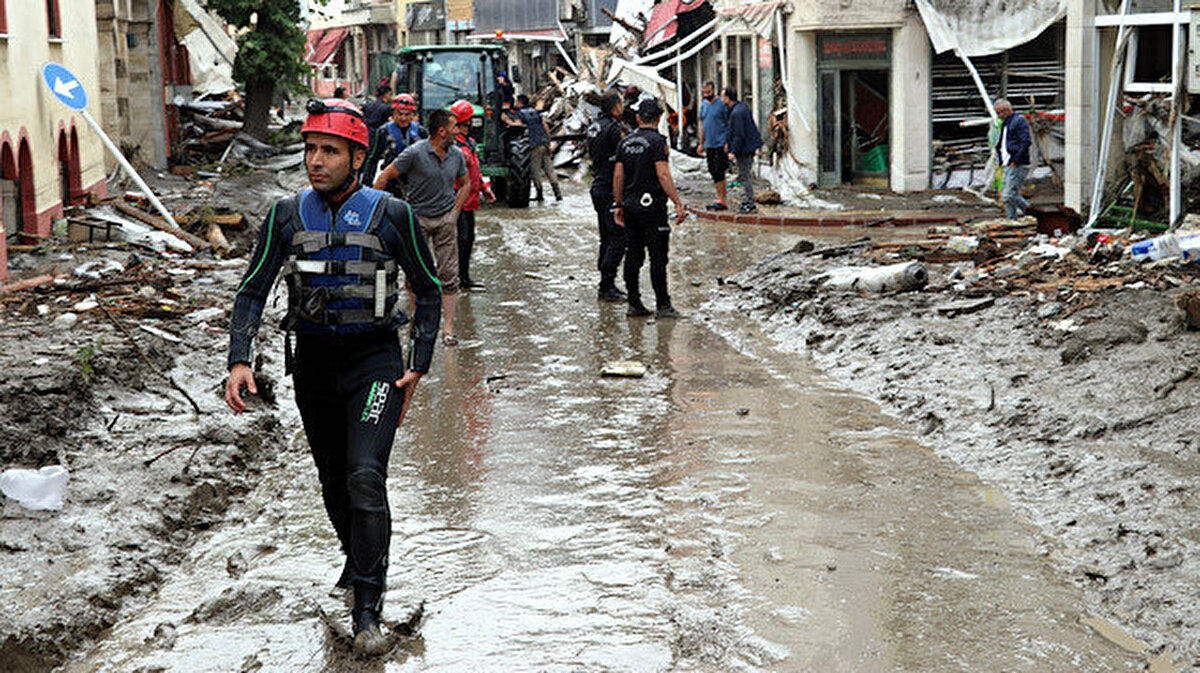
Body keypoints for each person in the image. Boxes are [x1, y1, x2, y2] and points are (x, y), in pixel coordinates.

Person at [224, 98, 441, 655]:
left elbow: (431, 289)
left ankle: (368, 608)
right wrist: (239, 359)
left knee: (365, 475)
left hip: (376, 365)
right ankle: (358, 559)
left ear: (357, 157)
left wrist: (419, 362)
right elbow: (251, 290)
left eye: (329, 151)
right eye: (310, 149)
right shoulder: (285, 214)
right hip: (314, 366)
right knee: (333, 480)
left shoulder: (393, 214)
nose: (315, 161)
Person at [374, 108, 470, 346]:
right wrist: (379, 211)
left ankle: (447, 330)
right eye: (454, 127)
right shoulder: (414, 153)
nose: (457, 131)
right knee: (415, 274)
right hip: (417, 220)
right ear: (441, 131)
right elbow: (383, 178)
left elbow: (466, 183)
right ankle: (418, 320)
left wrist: (455, 213)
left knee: (449, 275)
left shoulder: (456, 155)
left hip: (445, 220)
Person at [612, 98, 687, 319]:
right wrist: (678, 203)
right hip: (653, 208)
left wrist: (618, 204)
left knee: (633, 255)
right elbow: (663, 174)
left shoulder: (625, 142)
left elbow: (618, 176)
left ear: (637, 118)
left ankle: (634, 303)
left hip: (631, 207)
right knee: (658, 257)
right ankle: (663, 306)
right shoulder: (657, 143)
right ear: (659, 118)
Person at [587, 90, 628, 302]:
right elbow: (623, 159)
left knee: (606, 236)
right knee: (618, 237)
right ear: (615, 106)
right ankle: (606, 284)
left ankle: (605, 280)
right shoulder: (614, 129)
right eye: (621, 102)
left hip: (598, 185)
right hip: (611, 186)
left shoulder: (594, 126)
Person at [450, 99, 494, 291]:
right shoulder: (453, 146)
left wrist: (485, 187)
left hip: (470, 199)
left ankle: (464, 277)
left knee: (468, 239)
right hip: (458, 199)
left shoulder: (470, 143)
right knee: (461, 240)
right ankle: (457, 278)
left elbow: (477, 168)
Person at [363, 94, 424, 194]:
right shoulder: (383, 131)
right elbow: (373, 158)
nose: (403, 118)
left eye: (407, 114)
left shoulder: (421, 132)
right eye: (399, 114)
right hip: (391, 182)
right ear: (393, 114)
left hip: (415, 182)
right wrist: (367, 184)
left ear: (413, 115)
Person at [506, 94, 561, 202]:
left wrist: (507, 121)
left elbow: (517, 125)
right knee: (549, 168)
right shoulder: (535, 112)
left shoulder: (520, 113)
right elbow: (544, 125)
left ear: (520, 102)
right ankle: (558, 194)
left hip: (534, 145)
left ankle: (539, 194)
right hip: (544, 143)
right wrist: (548, 139)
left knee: (535, 170)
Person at [723, 88, 763, 214]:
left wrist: (733, 151)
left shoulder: (737, 113)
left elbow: (738, 134)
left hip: (745, 148)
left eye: (723, 96)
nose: (721, 99)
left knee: (745, 175)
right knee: (743, 175)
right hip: (748, 146)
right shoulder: (741, 107)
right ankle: (747, 199)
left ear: (728, 98)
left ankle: (750, 203)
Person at [995, 98, 1032, 220]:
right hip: (1007, 164)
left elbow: (1026, 141)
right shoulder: (1007, 123)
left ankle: (1033, 213)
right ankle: (1012, 220)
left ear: (1006, 110)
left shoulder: (1018, 121)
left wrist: (1016, 160)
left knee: (1009, 195)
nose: (998, 116)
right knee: (1008, 197)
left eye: (999, 113)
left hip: (1016, 164)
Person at [696, 81, 730, 211]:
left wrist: (728, 142)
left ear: (713, 90)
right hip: (709, 144)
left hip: (720, 142)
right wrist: (701, 143)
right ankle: (719, 197)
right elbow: (703, 125)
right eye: (704, 93)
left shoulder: (722, 104)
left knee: (719, 170)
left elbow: (729, 123)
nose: (706, 95)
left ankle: (722, 199)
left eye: (709, 92)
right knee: (712, 171)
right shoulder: (704, 105)